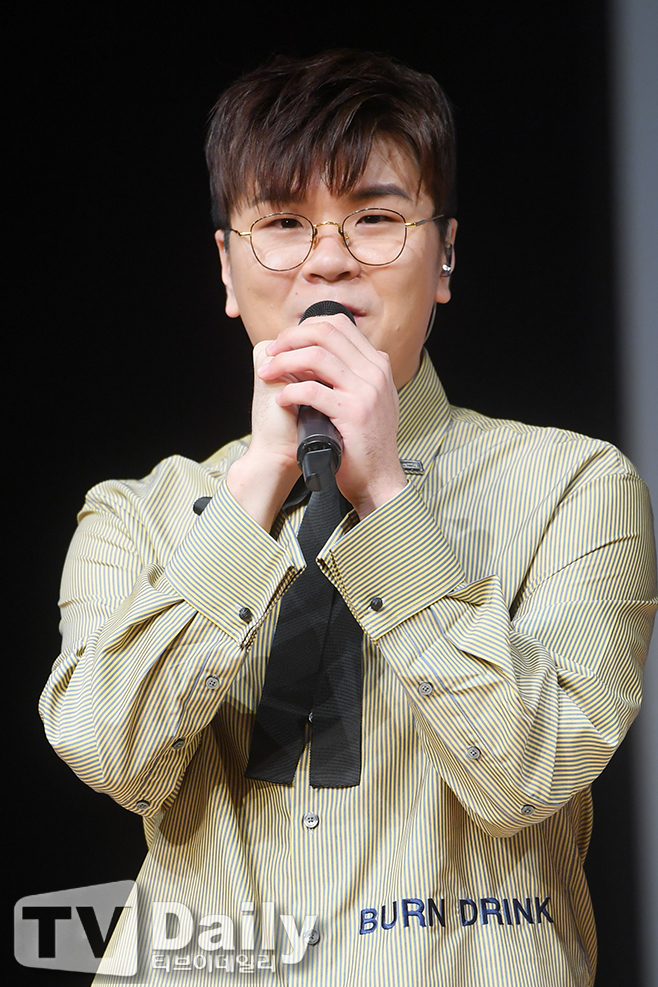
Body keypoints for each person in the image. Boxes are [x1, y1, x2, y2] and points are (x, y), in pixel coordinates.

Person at [39, 49, 657, 987]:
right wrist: (258, 484)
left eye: (375, 218)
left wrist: (387, 502)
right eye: (284, 223)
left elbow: (529, 773)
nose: (328, 258)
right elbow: (106, 750)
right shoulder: (135, 514)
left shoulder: (576, 485)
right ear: (227, 267)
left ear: (444, 255)